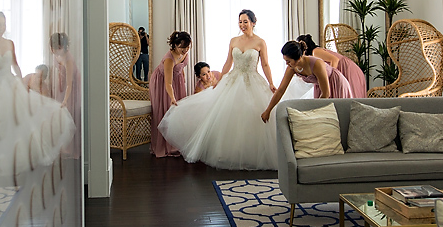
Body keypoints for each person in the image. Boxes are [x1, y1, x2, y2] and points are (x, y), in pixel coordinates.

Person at [159, 10, 301, 170]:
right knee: (227, 115)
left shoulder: (260, 42)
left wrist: (270, 82)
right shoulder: (234, 40)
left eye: (245, 21)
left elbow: (265, 64)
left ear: (254, 22)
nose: (242, 25)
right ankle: (231, 152)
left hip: (252, 80)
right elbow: (228, 62)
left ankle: (251, 153)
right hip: (233, 79)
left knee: (251, 115)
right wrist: (219, 80)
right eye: (240, 22)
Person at [0, 13, 74, 162]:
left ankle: (13, 155)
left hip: (9, 82)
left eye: (4, 24)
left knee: (16, 118)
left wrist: (21, 84)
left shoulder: (9, 43)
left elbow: (16, 66)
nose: (2, 27)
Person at [261, 40, 353, 123]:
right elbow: (281, 90)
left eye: (288, 61)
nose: (287, 64)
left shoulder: (316, 64)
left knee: (335, 117)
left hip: (335, 83)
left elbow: (326, 93)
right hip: (319, 86)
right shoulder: (291, 68)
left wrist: (315, 112)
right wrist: (268, 110)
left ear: (298, 58)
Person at [148, 30, 191, 157]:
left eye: (188, 47)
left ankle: (177, 143)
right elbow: (168, 83)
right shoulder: (169, 59)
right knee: (166, 110)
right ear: (174, 45)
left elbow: (182, 67)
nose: (185, 50)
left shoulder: (185, 53)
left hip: (176, 80)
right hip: (162, 83)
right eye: (182, 47)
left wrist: (182, 81)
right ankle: (164, 146)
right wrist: (172, 97)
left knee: (179, 113)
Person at [297, 33, 367, 98]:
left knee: (352, 92)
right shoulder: (310, 59)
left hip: (347, 68)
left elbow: (334, 60)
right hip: (343, 68)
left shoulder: (316, 52)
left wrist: (331, 78)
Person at [51, 32, 81, 156]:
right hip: (62, 85)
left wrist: (65, 100)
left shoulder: (68, 59)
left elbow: (70, 83)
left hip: (72, 87)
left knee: (70, 113)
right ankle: (62, 146)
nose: (55, 50)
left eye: (58, 47)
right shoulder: (56, 56)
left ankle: (71, 148)